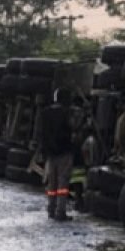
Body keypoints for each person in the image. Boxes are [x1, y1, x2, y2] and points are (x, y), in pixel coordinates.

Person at [36, 89, 74, 222]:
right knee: (63, 184)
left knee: (51, 184)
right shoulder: (66, 112)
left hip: (50, 154)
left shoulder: (45, 113)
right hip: (64, 152)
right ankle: (60, 212)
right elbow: (72, 127)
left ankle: (51, 210)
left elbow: (40, 133)